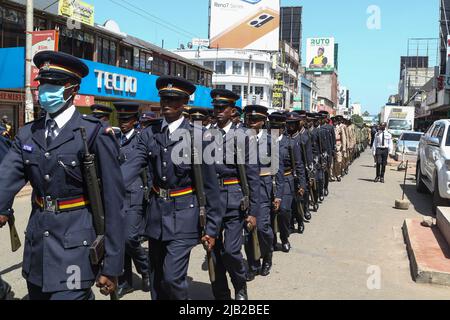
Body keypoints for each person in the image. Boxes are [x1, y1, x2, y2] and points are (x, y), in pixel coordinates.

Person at [0, 51, 125, 300]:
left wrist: (112, 265)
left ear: (72, 89)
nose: (45, 90)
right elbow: (6, 177)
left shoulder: (93, 134)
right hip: (38, 248)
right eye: (42, 83)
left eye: (54, 84)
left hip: (75, 248)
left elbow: (113, 203)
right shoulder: (27, 134)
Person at [120, 76, 223, 300]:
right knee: (157, 279)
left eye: (174, 100)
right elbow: (130, 167)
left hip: (185, 214)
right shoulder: (149, 133)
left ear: (184, 102)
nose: (167, 104)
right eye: (164, 98)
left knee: (173, 278)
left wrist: (212, 229)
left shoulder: (198, 137)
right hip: (156, 214)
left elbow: (211, 187)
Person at [210, 89, 259, 300]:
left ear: (232, 111)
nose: (218, 112)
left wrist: (253, 210)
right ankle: (221, 293)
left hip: (233, 199)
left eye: (223, 108)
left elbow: (252, 175)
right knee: (213, 251)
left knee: (231, 251)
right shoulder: (205, 134)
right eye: (216, 108)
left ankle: (240, 285)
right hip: (211, 200)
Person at [113, 102, 150, 298]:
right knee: (119, 241)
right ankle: (125, 281)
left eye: (127, 120)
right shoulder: (114, 139)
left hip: (134, 194)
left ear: (135, 121)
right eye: (121, 119)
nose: (123, 123)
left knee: (130, 237)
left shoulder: (141, 139)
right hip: (115, 197)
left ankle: (145, 269)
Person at [244, 105, 283, 282]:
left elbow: (278, 169)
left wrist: (278, 194)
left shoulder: (270, 140)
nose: (251, 123)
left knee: (263, 229)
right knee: (247, 229)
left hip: (263, 188)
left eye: (255, 120)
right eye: (249, 120)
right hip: (244, 189)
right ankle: (253, 265)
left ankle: (267, 256)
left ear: (262, 122)